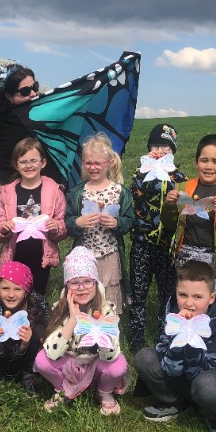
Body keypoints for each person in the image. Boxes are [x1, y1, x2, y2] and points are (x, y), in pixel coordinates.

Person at [134, 260, 216, 432]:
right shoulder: (172, 315)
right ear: (176, 292)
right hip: (178, 373)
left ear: (211, 298)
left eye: (198, 297)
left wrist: (191, 340)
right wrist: (178, 340)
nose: (189, 303)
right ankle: (175, 401)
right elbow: (169, 365)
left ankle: (214, 416)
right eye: (183, 295)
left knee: (208, 385)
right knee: (144, 357)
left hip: (206, 378)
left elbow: (200, 371)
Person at [34, 246, 129, 415]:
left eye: (87, 281)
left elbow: (111, 355)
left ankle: (104, 391)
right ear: (67, 286)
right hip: (70, 365)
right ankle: (61, 390)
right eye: (75, 282)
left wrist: (101, 334)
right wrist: (72, 319)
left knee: (118, 365)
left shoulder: (106, 310)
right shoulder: (59, 310)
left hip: (97, 364)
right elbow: (52, 354)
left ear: (95, 283)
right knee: (42, 360)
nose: (81, 287)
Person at [162, 134, 216, 307]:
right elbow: (170, 224)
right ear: (196, 162)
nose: (209, 166)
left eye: (215, 161)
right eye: (204, 160)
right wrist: (169, 206)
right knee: (188, 303)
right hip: (186, 256)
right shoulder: (183, 188)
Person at [127, 123, 187, 353]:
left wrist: (169, 177)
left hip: (167, 245)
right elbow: (135, 193)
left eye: (166, 146)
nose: (160, 151)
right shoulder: (139, 173)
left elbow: (185, 200)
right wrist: (147, 169)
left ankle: (165, 333)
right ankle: (136, 334)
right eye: (155, 145)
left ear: (173, 150)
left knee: (167, 292)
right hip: (142, 243)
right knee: (139, 291)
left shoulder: (179, 177)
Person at [65, 133, 133, 314]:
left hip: (109, 254)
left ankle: (109, 327)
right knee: (85, 294)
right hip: (85, 255)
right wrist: (77, 222)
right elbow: (67, 222)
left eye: (97, 163)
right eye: (88, 163)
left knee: (108, 295)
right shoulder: (78, 193)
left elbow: (129, 221)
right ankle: (84, 326)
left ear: (109, 163)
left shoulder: (119, 191)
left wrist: (116, 223)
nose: (93, 167)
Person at [0, 138, 67, 296]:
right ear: (16, 165)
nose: (29, 165)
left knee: (37, 296)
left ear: (43, 163)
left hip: (41, 257)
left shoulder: (54, 192)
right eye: (23, 162)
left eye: (33, 161)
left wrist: (56, 227)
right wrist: (3, 229)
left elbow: (62, 228)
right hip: (15, 255)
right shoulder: (6, 193)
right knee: (14, 296)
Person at [0, 262, 50, 395]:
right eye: (5, 288)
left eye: (17, 289)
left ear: (26, 291)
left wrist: (25, 344)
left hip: (25, 358)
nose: (11, 295)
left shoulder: (37, 308)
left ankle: (30, 374)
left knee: (40, 331)